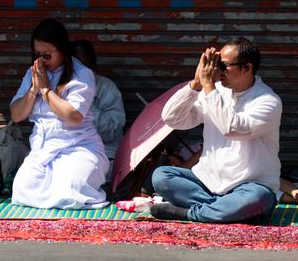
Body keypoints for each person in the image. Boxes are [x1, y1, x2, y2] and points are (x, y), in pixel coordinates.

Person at [149, 38, 282, 223]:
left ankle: (188, 213)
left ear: (247, 68)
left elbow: (232, 129)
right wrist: (195, 84)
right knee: (161, 176)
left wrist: (209, 87)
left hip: (248, 186)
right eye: (215, 64)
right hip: (206, 182)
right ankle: (221, 210)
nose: (217, 71)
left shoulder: (268, 101)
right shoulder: (213, 91)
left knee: (258, 198)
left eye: (224, 65)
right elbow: (172, 118)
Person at [9, 18, 108, 209]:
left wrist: (46, 91)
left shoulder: (82, 74)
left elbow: (74, 116)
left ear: (62, 50)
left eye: (47, 55)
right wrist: (34, 90)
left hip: (79, 147)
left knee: (71, 191)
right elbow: (16, 115)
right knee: (22, 189)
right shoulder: (33, 73)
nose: (41, 61)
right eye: (37, 54)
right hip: (43, 149)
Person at [70, 40, 126, 165]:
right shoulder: (62, 90)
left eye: (85, 68)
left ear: (94, 67)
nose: (81, 74)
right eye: (76, 69)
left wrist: (87, 107)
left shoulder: (107, 88)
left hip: (103, 153)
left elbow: (112, 132)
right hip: (70, 152)